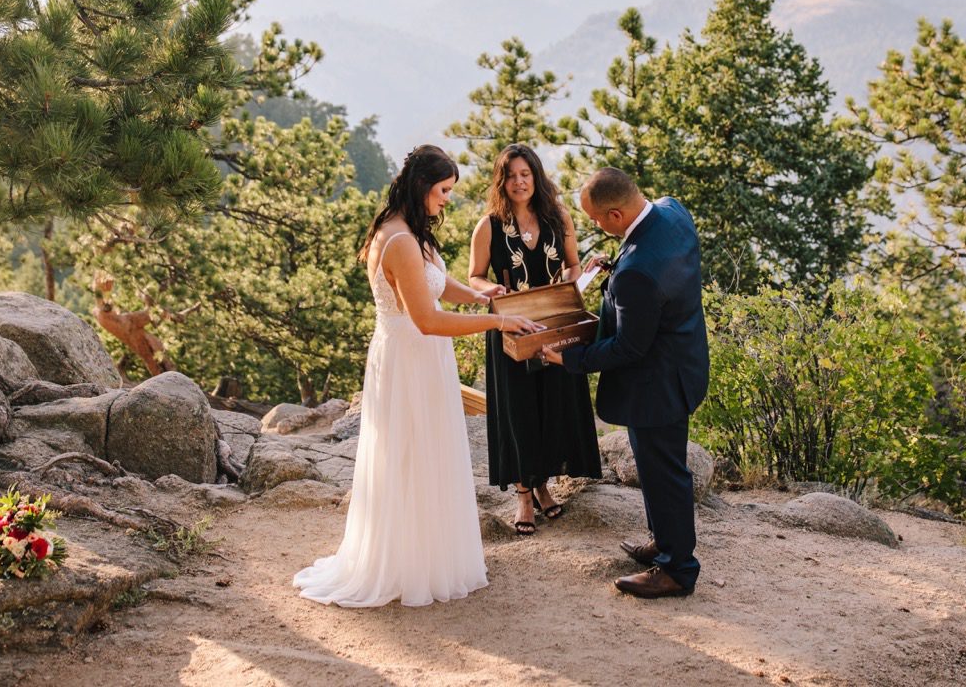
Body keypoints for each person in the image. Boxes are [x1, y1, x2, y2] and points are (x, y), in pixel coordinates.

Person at [293, 145, 541, 607]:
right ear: (425, 186)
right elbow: (426, 318)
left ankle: (427, 553)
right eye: (444, 190)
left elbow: (435, 282)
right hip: (411, 358)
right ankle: (408, 565)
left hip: (420, 357)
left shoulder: (407, 230)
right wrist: (498, 322)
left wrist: (481, 297)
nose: (447, 199)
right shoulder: (400, 241)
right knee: (409, 456)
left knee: (426, 453)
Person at [539, 168, 709, 599]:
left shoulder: (636, 271)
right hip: (685, 363)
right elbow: (659, 276)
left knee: (665, 472)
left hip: (657, 385)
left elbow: (627, 348)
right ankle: (662, 541)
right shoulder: (672, 212)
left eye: (597, 219)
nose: (596, 226)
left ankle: (677, 570)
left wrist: (570, 357)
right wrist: (615, 272)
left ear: (615, 214)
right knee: (656, 469)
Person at [468, 144, 602, 535]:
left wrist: (578, 275)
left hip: (555, 322)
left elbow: (572, 266)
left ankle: (544, 485)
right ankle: (525, 494)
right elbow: (474, 275)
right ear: (501, 181)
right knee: (520, 409)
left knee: (553, 403)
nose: (519, 182)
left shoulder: (558, 217)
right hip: (511, 328)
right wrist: (490, 288)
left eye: (525, 174)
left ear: (536, 176)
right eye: (511, 175)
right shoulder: (488, 226)